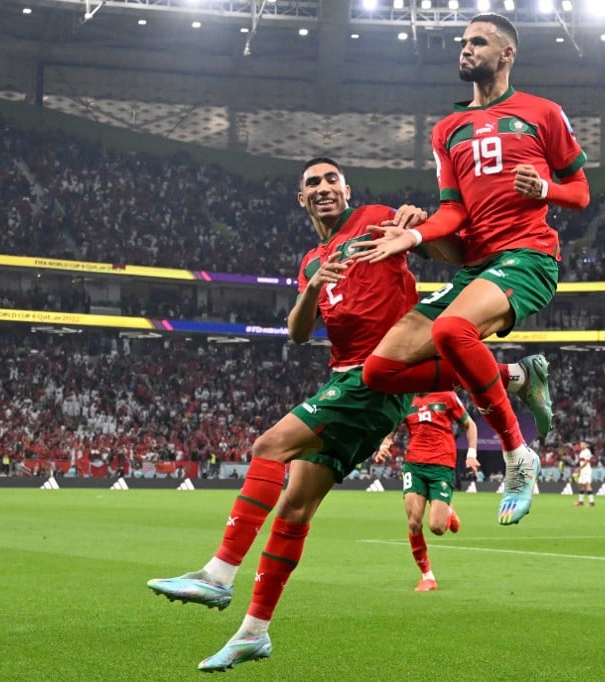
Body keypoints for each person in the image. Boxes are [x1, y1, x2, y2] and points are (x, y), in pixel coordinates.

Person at [146, 157, 429, 672]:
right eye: (312, 184)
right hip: (346, 378)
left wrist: (417, 222)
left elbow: (436, 239)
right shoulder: (310, 260)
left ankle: (218, 574)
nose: (323, 188)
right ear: (301, 198)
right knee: (294, 508)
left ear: (347, 188)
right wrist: (314, 285)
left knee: (268, 446)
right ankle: (254, 633)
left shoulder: (377, 217)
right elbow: (299, 334)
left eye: (330, 180)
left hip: (377, 375)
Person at [352, 13, 591, 527]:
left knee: (452, 328)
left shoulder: (543, 114)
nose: (465, 49)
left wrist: (545, 189)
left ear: (506, 54)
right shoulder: (447, 130)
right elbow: (454, 213)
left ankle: (517, 454)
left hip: (527, 258)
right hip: (476, 268)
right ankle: (515, 375)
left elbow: (581, 191)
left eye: (477, 42)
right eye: (463, 42)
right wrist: (415, 235)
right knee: (381, 370)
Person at [374, 390, 479, 592]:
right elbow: (391, 431)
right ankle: (427, 577)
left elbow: (469, 424)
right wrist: (385, 445)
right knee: (414, 522)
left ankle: (446, 509)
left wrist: (471, 454)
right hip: (414, 466)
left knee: (437, 528)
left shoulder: (447, 396)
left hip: (442, 467)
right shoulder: (405, 399)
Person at [573, 441, 594, 506]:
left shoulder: (587, 452)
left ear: (586, 445)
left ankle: (591, 502)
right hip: (583, 470)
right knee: (581, 484)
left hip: (586, 470)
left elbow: (586, 462)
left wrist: (579, 469)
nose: (581, 445)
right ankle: (580, 501)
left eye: (583, 444)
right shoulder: (582, 452)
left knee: (587, 484)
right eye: (581, 444)